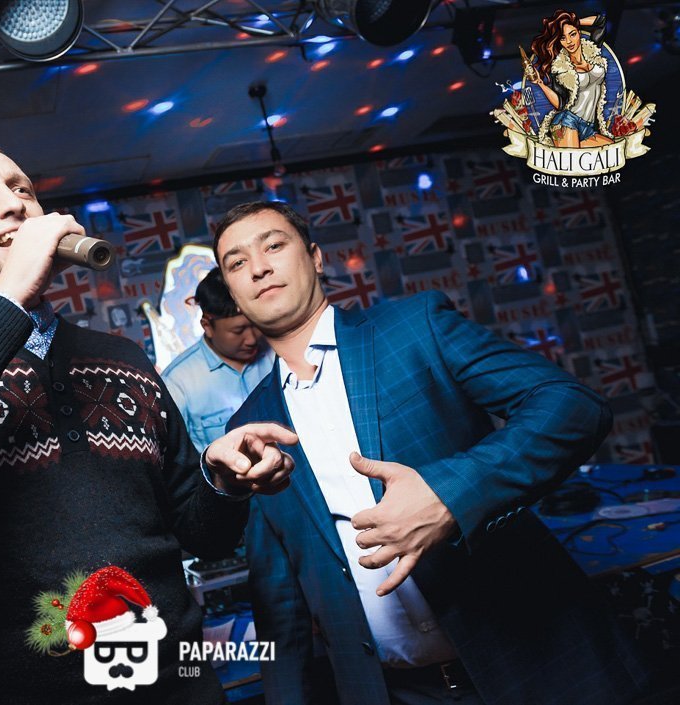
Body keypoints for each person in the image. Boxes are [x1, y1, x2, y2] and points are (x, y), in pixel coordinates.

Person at [0, 141, 296, 704]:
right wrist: (8, 297)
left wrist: (221, 481)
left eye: (21, 189)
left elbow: (203, 535)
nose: (13, 204)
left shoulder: (123, 357)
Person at [214, 201, 647, 705]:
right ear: (233, 294)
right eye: (237, 262)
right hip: (394, 692)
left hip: (534, 659)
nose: (258, 267)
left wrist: (449, 493)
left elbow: (573, 407)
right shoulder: (248, 427)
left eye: (273, 245)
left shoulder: (415, 327)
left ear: (315, 257)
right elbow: (279, 603)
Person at [163, 267, 274, 452]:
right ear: (207, 326)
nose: (252, 339)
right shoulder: (177, 383)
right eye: (238, 331)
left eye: (255, 324)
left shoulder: (277, 353)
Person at [526, 10, 614, 148]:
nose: (569, 41)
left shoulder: (593, 50)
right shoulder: (560, 69)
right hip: (566, 121)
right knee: (570, 160)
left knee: (611, 148)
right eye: (563, 38)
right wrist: (540, 83)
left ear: (579, 32)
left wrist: (575, 22)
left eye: (572, 34)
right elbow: (561, 104)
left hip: (588, 128)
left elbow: (601, 21)